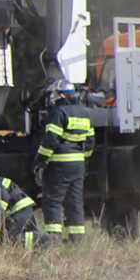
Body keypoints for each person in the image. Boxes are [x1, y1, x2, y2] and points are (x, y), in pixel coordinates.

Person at [34, 84, 95, 244]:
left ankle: (53, 240)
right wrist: (83, 159)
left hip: (59, 165)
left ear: (60, 94)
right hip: (78, 165)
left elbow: (51, 140)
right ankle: (77, 240)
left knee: (52, 202)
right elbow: (90, 141)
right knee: (74, 202)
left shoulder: (57, 112)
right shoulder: (84, 112)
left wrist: (40, 159)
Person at [0, 170, 39, 246]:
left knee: (8, 239)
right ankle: (40, 237)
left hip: (19, 208)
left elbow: (2, 194)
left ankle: (42, 239)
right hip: (21, 207)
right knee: (11, 236)